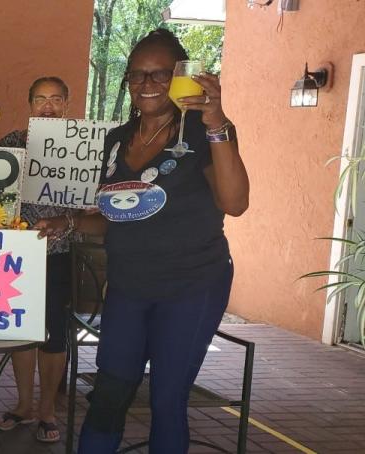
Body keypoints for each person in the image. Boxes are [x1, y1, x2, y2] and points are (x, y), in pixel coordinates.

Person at [36, 29, 248, 453]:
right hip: (130, 285)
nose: (147, 84)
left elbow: (236, 203)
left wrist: (217, 124)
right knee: (110, 394)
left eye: (160, 74)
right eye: (137, 75)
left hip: (191, 285)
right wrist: (70, 223)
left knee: (168, 399)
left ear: (181, 77)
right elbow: (117, 217)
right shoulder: (115, 142)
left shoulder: (206, 133)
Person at [0, 76, 77, 443]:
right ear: (30, 104)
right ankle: (23, 405)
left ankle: (47, 410)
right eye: (40, 99)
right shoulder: (15, 141)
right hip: (18, 255)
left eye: (55, 99)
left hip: (61, 253)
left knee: (53, 337)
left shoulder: (83, 145)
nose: (47, 106)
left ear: (66, 103)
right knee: (21, 332)